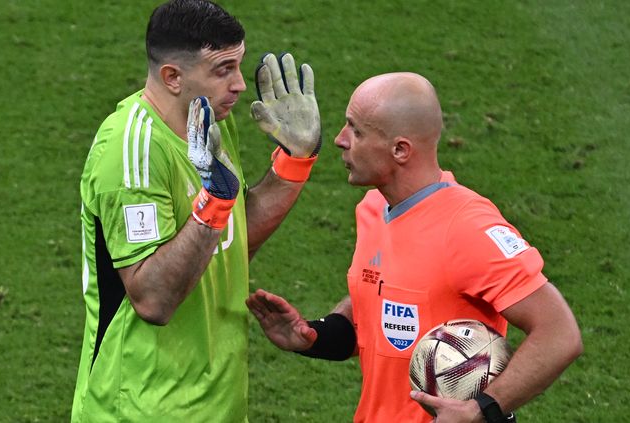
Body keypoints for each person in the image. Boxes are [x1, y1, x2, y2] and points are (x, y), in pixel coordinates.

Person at [246, 72, 583, 423]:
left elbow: (559, 333)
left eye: (356, 131)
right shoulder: (373, 207)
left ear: (400, 150)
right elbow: (381, 308)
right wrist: (316, 336)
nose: (339, 140)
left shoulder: (468, 228)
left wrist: (481, 409)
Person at [71, 0, 321, 421]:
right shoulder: (131, 152)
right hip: (141, 408)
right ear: (172, 77)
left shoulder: (211, 123)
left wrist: (293, 163)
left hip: (219, 405)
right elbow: (153, 300)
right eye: (223, 70)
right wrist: (213, 204)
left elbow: (229, 241)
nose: (241, 85)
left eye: (238, 66)